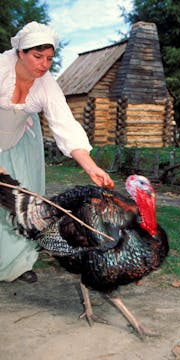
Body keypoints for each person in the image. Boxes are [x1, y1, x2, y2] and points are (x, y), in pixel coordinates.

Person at [0, 21, 114, 283]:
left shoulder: (46, 84)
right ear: (20, 53)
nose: (43, 64)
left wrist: (91, 166)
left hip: (19, 144)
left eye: (49, 58)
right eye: (37, 56)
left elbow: (65, 124)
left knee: (22, 203)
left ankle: (18, 263)